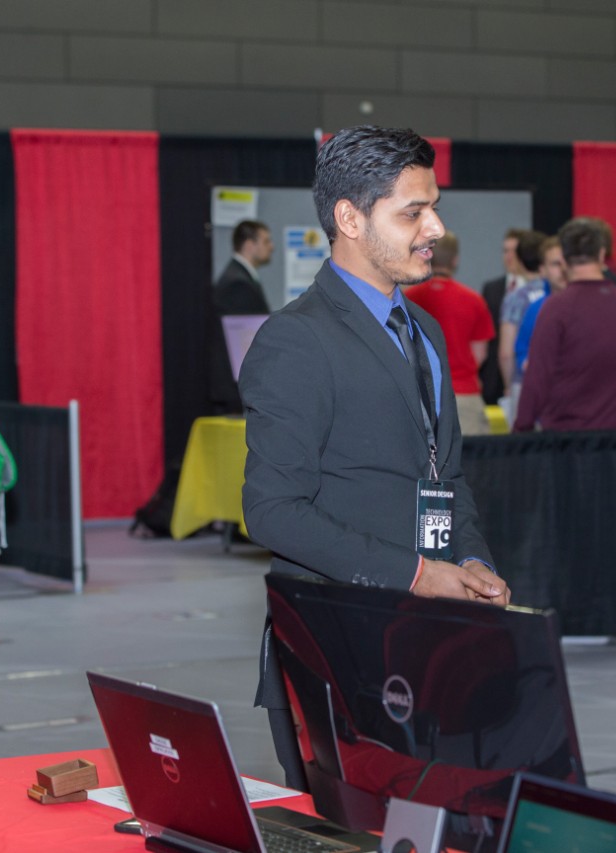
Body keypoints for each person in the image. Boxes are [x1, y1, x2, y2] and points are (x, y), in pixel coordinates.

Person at [238, 125, 509, 789]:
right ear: (349, 218)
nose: (435, 227)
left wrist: (472, 561)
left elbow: (445, 475)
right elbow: (272, 510)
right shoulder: (295, 341)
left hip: (430, 652)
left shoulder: (426, 332)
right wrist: (415, 573)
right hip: (337, 659)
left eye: (433, 206)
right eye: (413, 212)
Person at [514, 218, 616, 432]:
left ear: (563, 258)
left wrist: (521, 428)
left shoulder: (556, 308)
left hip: (567, 439)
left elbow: (538, 376)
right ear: (602, 255)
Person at [405, 231, 495, 435]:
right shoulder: (474, 300)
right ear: (455, 260)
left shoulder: (409, 299)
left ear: (427, 255)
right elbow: (480, 354)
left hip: (421, 394)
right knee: (471, 460)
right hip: (464, 393)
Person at [480, 228, 533, 404]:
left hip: (526, 371)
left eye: (514, 251)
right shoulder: (492, 288)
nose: (509, 256)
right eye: (505, 251)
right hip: (494, 376)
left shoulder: (536, 290)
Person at [513, 236, 568, 372]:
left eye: (567, 262)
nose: (563, 269)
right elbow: (522, 350)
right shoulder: (536, 309)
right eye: (556, 264)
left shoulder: (588, 305)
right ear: (542, 270)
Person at [213, 219, 273, 316]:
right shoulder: (238, 284)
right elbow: (245, 328)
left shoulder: (240, 275)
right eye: (266, 242)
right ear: (249, 245)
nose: (271, 247)